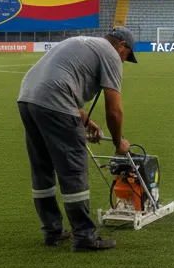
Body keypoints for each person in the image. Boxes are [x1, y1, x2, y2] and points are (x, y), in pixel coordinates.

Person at [17, 27, 135, 252]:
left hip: (27, 99)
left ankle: (52, 231)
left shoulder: (82, 42)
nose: (123, 61)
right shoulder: (110, 53)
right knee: (73, 169)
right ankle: (84, 236)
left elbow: (57, 79)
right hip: (55, 101)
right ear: (122, 45)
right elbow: (114, 110)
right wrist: (119, 142)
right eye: (126, 56)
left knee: (42, 168)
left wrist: (83, 118)